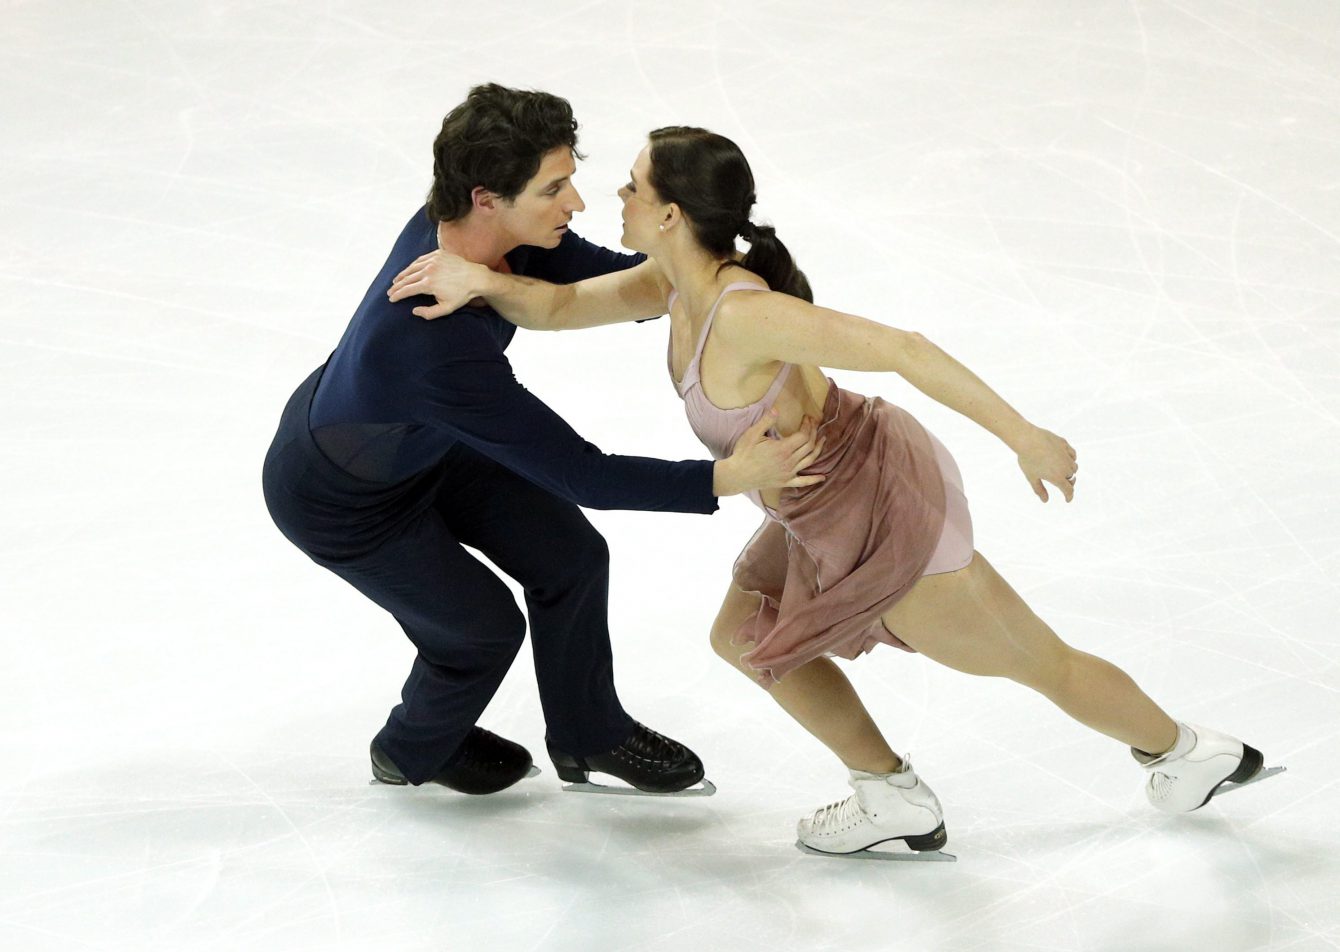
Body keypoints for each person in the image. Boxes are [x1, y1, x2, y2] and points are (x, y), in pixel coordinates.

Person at [387, 125, 1273, 855]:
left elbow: (906, 348)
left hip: (878, 515)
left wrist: (1025, 437)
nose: (608, 199)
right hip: (809, 506)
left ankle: (1184, 752)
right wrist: (482, 280)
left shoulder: (745, 312)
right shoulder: (670, 282)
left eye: (626, 186)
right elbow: (560, 308)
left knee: (1035, 661)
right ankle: (888, 791)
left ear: (667, 213)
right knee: (743, 634)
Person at [261, 91, 826, 800]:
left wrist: (713, 270)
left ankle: (589, 735)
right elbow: (582, 473)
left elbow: (607, 283)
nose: (577, 204)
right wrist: (725, 475)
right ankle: (409, 748)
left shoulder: (489, 234)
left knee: (571, 557)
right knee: (481, 632)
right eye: (554, 189)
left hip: (425, 440)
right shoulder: (433, 343)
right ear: (486, 198)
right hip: (341, 498)